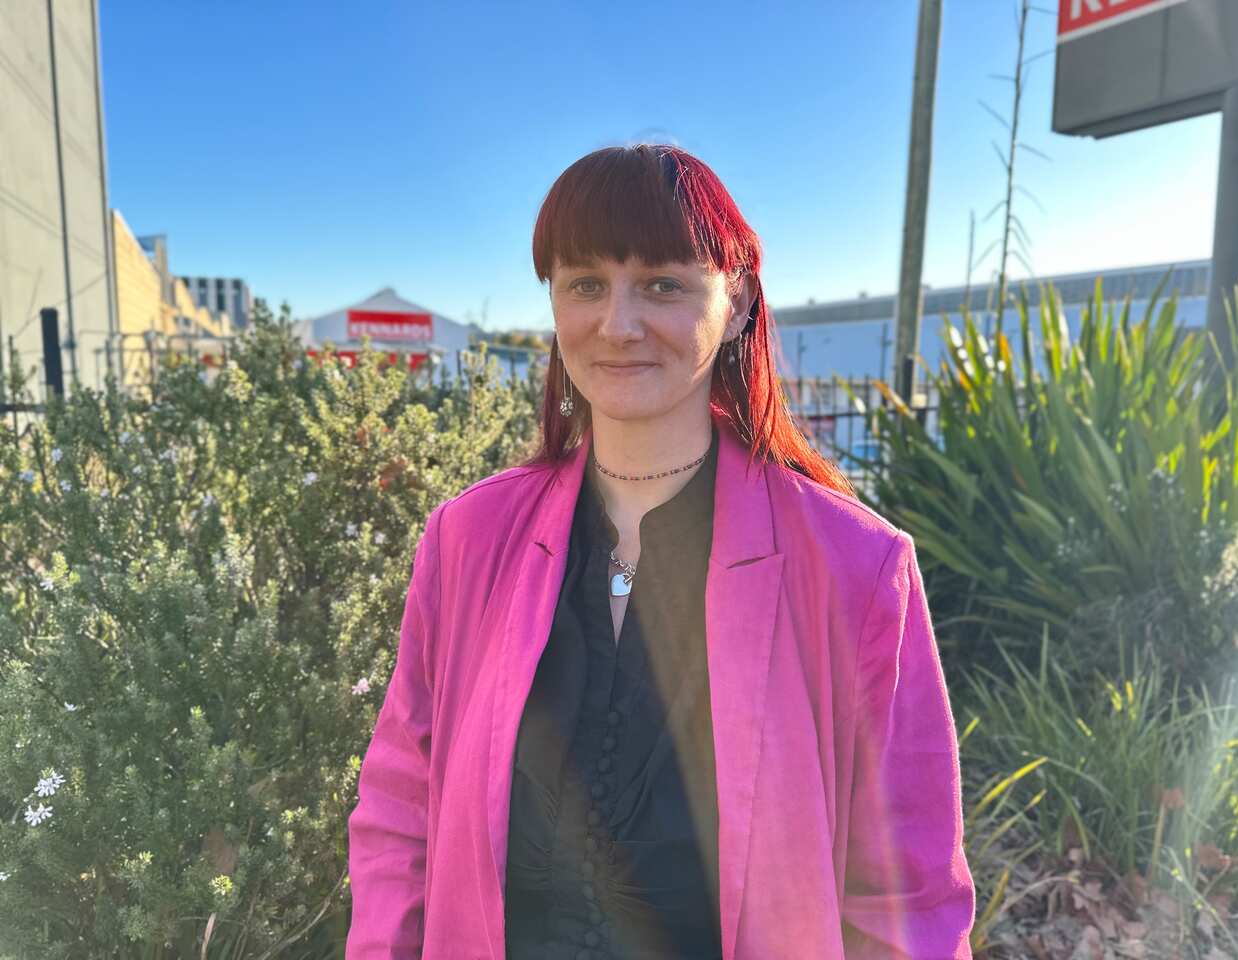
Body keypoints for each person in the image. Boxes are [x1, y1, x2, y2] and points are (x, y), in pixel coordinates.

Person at [346, 143, 975, 959]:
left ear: (739, 301)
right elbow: (400, 814)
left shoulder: (856, 568)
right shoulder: (467, 540)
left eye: (663, 284)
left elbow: (908, 897)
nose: (618, 323)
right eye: (585, 284)